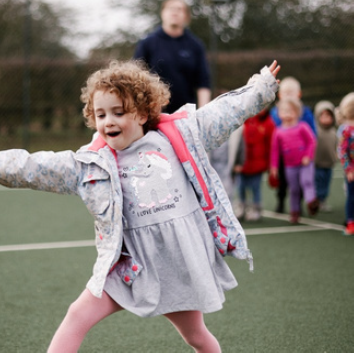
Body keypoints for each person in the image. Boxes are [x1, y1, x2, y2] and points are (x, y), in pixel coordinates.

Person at [0, 60, 280, 353]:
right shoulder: (92, 164)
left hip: (177, 264)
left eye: (118, 112)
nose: (108, 121)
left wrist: (260, 87)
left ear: (144, 112)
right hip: (131, 267)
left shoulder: (180, 137)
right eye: (100, 114)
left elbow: (224, 112)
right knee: (77, 315)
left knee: (196, 335)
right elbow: (35, 166)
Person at [134, 0, 211, 114]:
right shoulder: (147, 43)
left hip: (185, 115)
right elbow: (135, 78)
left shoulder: (195, 45)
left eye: (179, 9)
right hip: (154, 113)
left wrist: (203, 113)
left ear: (186, 16)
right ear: (162, 13)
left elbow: (203, 83)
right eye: (171, 8)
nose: (175, 12)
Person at [270, 77, 317, 213]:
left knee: (304, 181)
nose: (288, 97)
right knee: (284, 182)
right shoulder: (275, 114)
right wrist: (273, 164)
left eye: (292, 93)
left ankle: (304, 204)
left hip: (302, 157)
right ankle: (282, 201)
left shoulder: (305, 114)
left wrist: (309, 153)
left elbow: (312, 136)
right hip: (284, 157)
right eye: (286, 93)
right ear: (280, 95)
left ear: (299, 94)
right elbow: (274, 141)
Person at [236, 108, 275, 221]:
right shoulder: (244, 120)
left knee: (255, 188)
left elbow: (270, 145)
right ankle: (242, 207)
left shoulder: (268, 123)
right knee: (241, 187)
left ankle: (256, 209)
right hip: (243, 163)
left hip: (258, 164)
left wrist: (270, 164)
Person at [314, 101, 338, 213]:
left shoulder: (334, 132)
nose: (325, 119)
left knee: (326, 183)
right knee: (318, 182)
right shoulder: (315, 131)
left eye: (328, 116)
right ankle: (317, 200)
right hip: (317, 163)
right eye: (322, 116)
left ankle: (322, 200)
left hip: (329, 163)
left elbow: (336, 146)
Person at [337, 93, 354, 236]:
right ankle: (350, 222)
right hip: (352, 172)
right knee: (351, 196)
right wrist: (349, 169)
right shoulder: (346, 130)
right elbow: (342, 151)